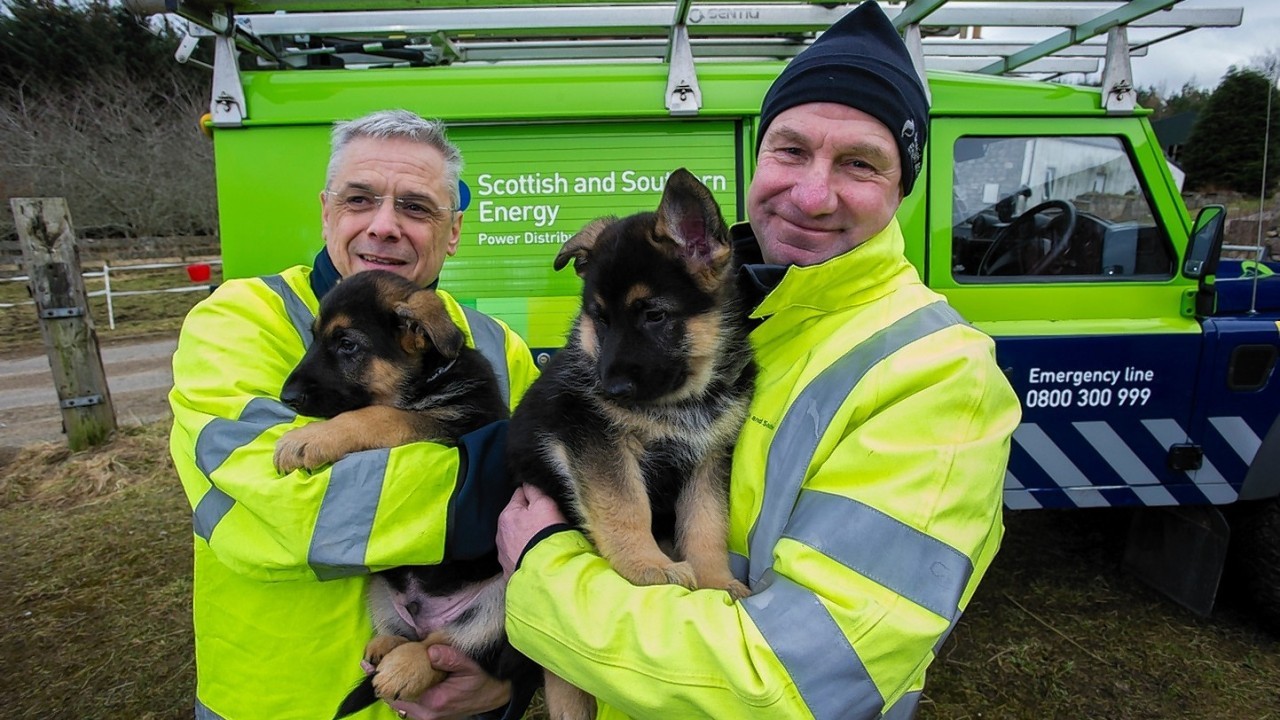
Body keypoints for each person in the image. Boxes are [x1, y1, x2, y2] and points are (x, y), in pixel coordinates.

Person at [495, 3, 1022, 718]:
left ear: (903, 190)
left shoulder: (939, 375)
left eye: (860, 163)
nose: (812, 193)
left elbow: (795, 680)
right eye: (791, 149)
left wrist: (544, 569)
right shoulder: (746, 305)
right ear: (757, 160)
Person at [169, 109, 539, 720]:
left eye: (417, 208)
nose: (385, 226)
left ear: (453, 232)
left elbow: (553, 526)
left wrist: (510, 679)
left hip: (452, 696)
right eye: (360, 199)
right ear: (327, 213)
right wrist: (485, 483)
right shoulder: (238, 321)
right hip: (287, 703)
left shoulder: (497, 344)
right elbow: (286, 504)